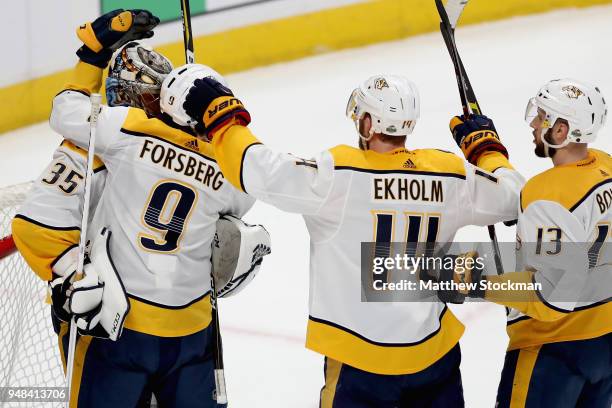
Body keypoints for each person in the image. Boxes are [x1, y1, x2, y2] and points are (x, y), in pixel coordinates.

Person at [163, 68, 525, 406]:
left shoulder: (339, 175)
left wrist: (223, 117)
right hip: (435, 358)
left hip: (358, 362)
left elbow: (260, 170)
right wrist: (486, 151)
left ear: (367, 123)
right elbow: (514, 198)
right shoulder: (450, 173)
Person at [47, 9, 270, 407]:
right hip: (191, 329)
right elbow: (246, 193)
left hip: (123, 325)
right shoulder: (226, 169)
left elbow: (65, 112)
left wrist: (92, 54)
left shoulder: (130, 130)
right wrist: (212, 128)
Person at [435, 78, 612, 407]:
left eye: (542, 116)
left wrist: (474, 282)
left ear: (561, 130)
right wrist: (488, 154)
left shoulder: (547, 193)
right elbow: (539, 202)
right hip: (604, 346)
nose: (533, 123)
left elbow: (550, 296)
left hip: (553, 351)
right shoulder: (605, 165)